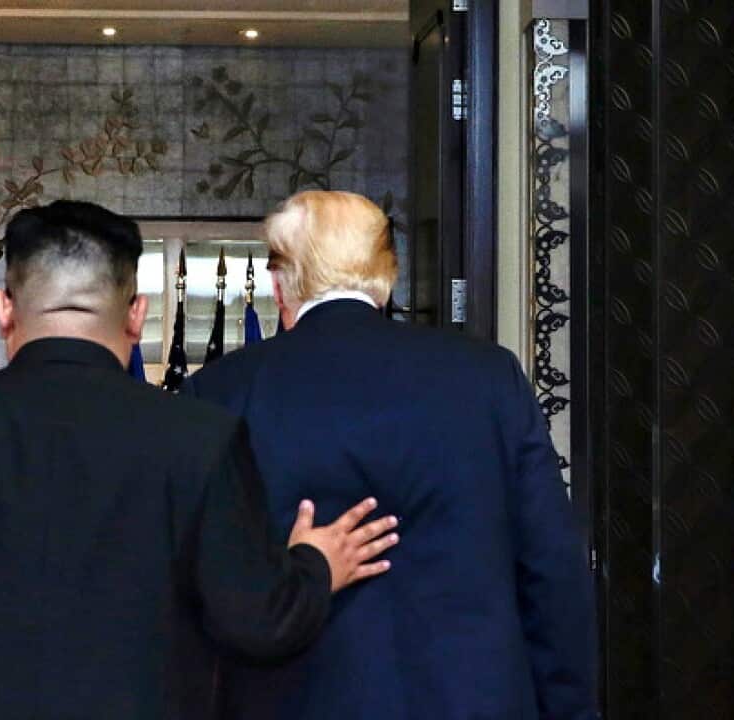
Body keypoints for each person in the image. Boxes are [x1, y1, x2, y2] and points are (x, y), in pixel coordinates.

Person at [0, 200, 400, 720]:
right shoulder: (198, 437)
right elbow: (254, 623)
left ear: (3, 309)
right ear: (137, 313)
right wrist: (315, 565)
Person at [184, 190, 597, 720]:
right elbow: (551, 571)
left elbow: (205, 598)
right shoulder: (489, 379)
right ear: (388, 276)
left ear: (280, 283)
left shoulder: (220, 393)